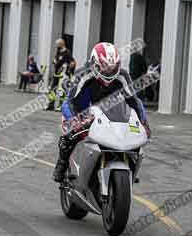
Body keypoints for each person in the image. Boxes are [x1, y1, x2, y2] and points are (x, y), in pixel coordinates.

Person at [52, 42, 150, 183]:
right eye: (104, 67)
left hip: (109, 107)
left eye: (113, 67)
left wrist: (143, 122)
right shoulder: (83, 73)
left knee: (131, 132)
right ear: (94, 63)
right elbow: (69, 102)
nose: (108, 72)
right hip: (82, 106)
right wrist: (76, 120)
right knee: (71, 131)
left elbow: (134, 101)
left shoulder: (122, 75)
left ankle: (129, 165)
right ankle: (61, 163)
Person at [47, 39, 74, 111]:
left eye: (58, 44)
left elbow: (72, 62)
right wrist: (54, 61)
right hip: (56, 74)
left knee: (61, 90)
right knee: (52, 89)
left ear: (62, 44)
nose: (57, 46)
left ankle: (61, 106)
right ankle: (50, 105)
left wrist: (68, 71)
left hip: (63, 75)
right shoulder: (58, 52)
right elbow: (55, 60)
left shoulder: (67, 52)